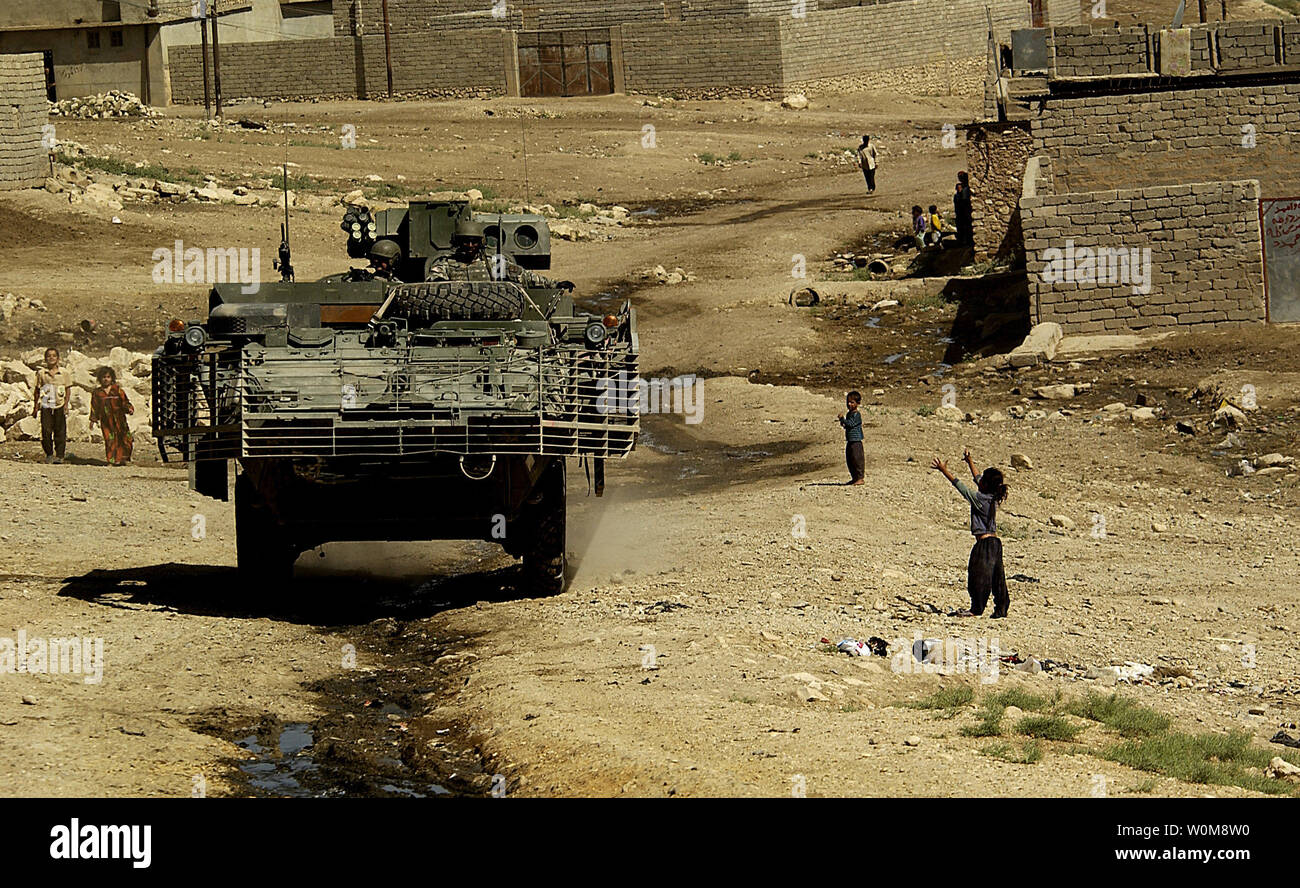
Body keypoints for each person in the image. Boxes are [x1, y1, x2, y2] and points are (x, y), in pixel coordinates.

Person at [931, 449, 1010, 618]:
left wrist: (944, 470)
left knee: (978, 577)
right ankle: (1001, 609)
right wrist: (970, 461)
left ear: (985, 486)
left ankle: (976, 609)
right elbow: (978, 479)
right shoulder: (992, 496)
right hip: (995, 543)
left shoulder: (979, 499)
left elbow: (962, 488)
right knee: (997, 577)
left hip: (984, 544)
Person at [426, 220, 573, 291]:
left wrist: (555, 284)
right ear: (458, 242)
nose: (470, 246)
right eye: (466, 242)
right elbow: (433, 284)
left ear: (481, 242)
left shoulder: (493, 264)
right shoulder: (445, 264)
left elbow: (525, 277)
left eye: (474, 242)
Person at [33, 347, 72, 464]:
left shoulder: (64, 373)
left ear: (58, 358)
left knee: (60, 431)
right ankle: (49, 454)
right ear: (45, 359)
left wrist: (66, 404)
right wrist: (35, 407)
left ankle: (60, 455)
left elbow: (68, 389)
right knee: (46, 430)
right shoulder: (41, 373)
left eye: (54, 355)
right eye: (49, 356)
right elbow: (37, 390)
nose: (51, 358)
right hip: (46, 405)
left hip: (59, 405)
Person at [89, 366, 134, 466]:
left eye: (108, 377)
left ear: (112, 378)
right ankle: (112, 460)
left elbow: (125, 402)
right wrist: (93, 420)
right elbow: (94, 406)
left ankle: (124, 458)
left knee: (125, 439)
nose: (106, 379)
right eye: (104, 377)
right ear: (100, 379)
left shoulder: (117, 390)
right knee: (110, 440)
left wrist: (129, 409)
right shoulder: (97, 393)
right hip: (106, 421)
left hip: (119, 419)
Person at [836, 391, 865, 485]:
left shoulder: (857, 415)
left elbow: (851, 423)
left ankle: (860, 478)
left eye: (852, 402)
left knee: (857, 459)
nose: (849, 404)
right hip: (850, 439)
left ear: (858, 403)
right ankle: (854, 478)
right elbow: (846, 425)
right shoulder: (849, 414)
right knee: (850, 459)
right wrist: (843, 422)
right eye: (848, 402)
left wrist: (842, 419)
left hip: (856, 441)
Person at [953, 171, 974, 247]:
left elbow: (964, 201)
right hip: (961, 212)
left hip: (965, 211)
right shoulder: (958, 194)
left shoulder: (967, 188)